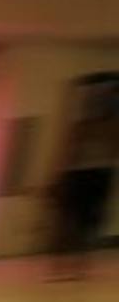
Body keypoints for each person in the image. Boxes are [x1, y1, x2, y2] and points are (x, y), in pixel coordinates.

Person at [47, 81, 116, 282]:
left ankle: (77, 267)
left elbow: (70, 151)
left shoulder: (107, 128)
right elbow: (68, 152)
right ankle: (65, 267)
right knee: (71, 223)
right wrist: (60, 177)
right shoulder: (83, 127)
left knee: (86, 225)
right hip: (83, 175)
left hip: (96, 174)